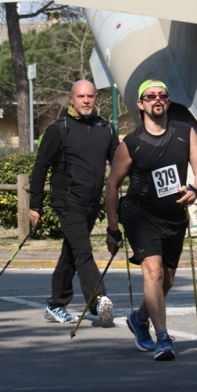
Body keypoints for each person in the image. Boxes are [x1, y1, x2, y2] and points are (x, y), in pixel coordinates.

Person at [105, 79, 197, 361]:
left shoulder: (185, 132)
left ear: (168, 101)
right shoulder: (131, 144)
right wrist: (112, 229)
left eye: (162, 95)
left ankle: (139, 318)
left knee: (167, 280)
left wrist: (194, 189)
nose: (157, 99)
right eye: (150, 96)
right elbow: (112, 185)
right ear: (140, 104)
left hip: (173, 216)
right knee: (153, 271)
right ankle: (163, 338)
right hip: (140, 215)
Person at [29, 80, 119, 326]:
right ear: (71, 99)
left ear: (96, 98)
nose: (86, 100)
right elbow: (40, 168)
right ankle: (98, 299)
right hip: (67, 200)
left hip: (92, 202)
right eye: (81, 96)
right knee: (83, 250)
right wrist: (35, 205)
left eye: (90, 96)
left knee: (71, 251)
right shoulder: (59, 129)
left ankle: (55, 304)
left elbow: (119, 163)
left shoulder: (105, 128)